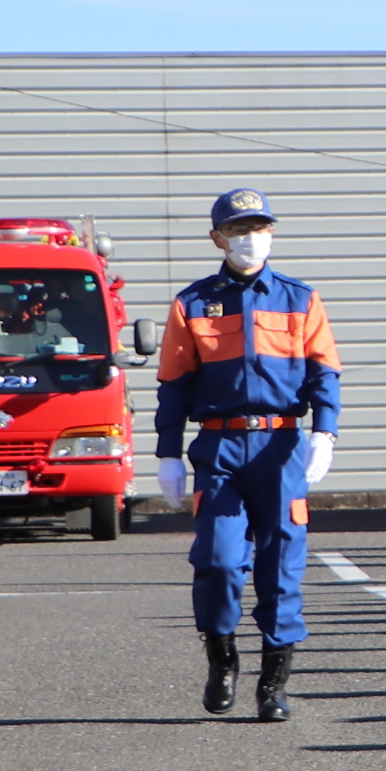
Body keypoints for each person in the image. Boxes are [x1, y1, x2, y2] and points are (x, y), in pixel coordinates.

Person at [154, 186, 341, 722]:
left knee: (281, 564)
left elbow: (324, 372)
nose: (250, 239)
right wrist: (168, 453)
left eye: (258, 228)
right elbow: (174, 384)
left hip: (281, 445)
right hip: (219, 445)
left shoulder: (300, 298)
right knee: (217, 560)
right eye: (238, 230)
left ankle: (273, 685)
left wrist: (324, 433)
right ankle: (222, 659)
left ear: (272, 233)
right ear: (217, 238)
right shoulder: (192, 303)